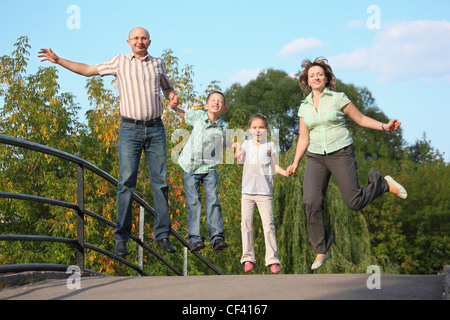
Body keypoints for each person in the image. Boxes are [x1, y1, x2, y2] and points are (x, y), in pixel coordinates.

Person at [38, 27, 180, 257]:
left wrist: (172, 96)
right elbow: (88, 70)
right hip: (130, 129)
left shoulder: (158, 63)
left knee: (161, 183)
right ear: (128, 42)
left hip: (155, 128)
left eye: (143, 38)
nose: (140, 41)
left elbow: (167, 88)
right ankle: (121, 238)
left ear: (149, 42)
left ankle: (163, 235)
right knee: (126, 182)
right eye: (136, 38)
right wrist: (58, 60)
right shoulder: (119, 62)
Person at [288, 58, 407, 270]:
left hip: (340, 152)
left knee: (354, 202)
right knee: (310, 201)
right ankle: (321, 248)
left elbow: (360, 119)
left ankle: (382, 184)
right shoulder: (304, 107)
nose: (316, 77)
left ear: (326, 79)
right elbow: (304, 138)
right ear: (306, 80)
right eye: (312, 75)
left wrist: (384, 126)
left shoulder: (337, 98)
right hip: (315, 157)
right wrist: (295, 163)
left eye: (320, 74)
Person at [170, 92, 230, 252]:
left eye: (219, 102)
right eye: (213, 100)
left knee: (213, 200)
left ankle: (217, 237)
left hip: (209, 168)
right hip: (191, 167)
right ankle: (195, 239)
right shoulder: (198, 116)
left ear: (224, 108)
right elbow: (184, 115)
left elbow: (225, 145)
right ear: (206, 105)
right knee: (194, 202)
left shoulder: (224, 126)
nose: (216, 103)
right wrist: (175, 107)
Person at [235, 113, 290, 274]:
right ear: (249, 130)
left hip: (265, 193)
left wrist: (284, 172)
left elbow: (275, 166)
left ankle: (272, 260)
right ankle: (248, 258)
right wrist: (239, 154)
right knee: (245, 224)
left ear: (266, 130)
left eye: (261, 127)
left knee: (269, 227)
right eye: (254, 127)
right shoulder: (245, 144)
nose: (258, 130)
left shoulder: (270, 146)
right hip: (248, 193)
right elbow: (240, 162)